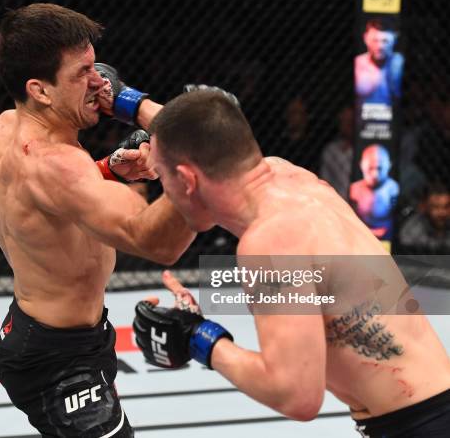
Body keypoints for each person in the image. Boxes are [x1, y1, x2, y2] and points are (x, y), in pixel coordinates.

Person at [134, 90, 450, 437]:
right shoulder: (290, 177)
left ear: (188, 180)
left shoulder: (270, 244)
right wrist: (129, 103)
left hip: (420, 425)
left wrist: (197, 337)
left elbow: (296, 396)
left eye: (163, 179)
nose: (166, 193)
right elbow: (206, 136)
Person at [0, 3, 197, 437]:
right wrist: (187, 161)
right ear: (40, 90)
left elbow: (34, 198)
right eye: (82, 73)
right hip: (60, 361)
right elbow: (161, 243)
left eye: (96, 66)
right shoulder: (57, 166)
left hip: (37, 329)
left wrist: (109, 169)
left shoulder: (1, 130)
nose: (100, 83)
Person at [349, 144, 400, 240]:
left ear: (388, 165)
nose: (375, 174)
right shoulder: (355, 189)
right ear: (362, 165)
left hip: (387, 235)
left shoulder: (393, 189)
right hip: (360, 235)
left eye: (379, 168)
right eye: (370, 168)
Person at [354, 18, 403, 106]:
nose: (380, 46)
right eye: (375, 40)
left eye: (385, 41)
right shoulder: (357, 63)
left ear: (394, 40)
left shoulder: (401, 63)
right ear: (366, 39)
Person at [399, 182, 450, 253]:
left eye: (446, 206)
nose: (442, 212)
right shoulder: (412, 232)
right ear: (424, 207)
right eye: (435, 207)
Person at [319, 106, 354, 199]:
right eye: (344, 121)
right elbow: (324, 181)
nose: (346, 125)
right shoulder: (330, 150)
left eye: (349, 122)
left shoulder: (363, 151)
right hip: (336, 202)